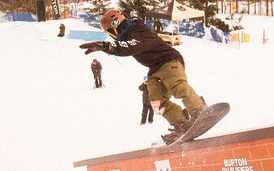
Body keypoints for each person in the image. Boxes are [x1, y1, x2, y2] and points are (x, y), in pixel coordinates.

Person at [80, 9, 207, 143]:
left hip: (169, 60)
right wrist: (132, 13)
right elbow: (134, 19)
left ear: (114, 28)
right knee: (156, 102)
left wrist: (105, 46)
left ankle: (198, 109)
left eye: (109, 32)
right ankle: (181, 123)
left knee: (176, 85)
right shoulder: (131, 28)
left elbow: (128, 47)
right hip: (155, 69)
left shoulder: (136, 31)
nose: (111, 35)